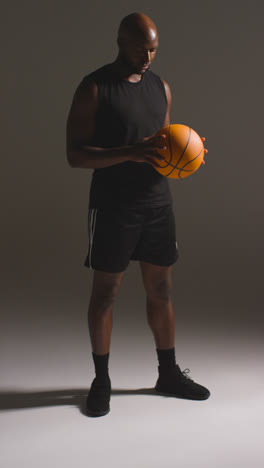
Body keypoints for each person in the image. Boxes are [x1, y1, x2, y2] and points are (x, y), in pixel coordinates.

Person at [66, 12, 210, 417]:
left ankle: (167, 374)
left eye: (153, 49)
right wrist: (129, 152)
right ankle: (101, 380)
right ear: (120, 41)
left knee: (161, 291)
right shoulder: (94, 88)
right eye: (139, 48)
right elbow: (74, 155)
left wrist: (191, 150)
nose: (147, 56)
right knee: (106, 294)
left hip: (156, 204)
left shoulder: (160, 88)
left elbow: (165, 149)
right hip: (113, 206)